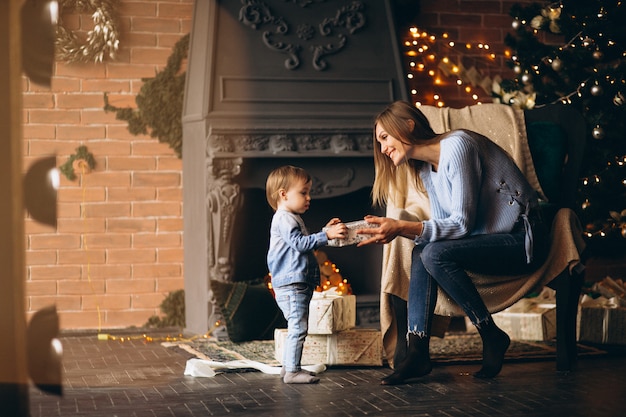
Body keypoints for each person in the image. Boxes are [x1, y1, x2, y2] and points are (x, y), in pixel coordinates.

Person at [357, 100, 548, 385]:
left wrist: (400, 227)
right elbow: (447, 230)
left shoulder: (459, 146)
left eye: (384, 137)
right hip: (490, 241)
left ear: (408, 125)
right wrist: (397, 230)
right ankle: (417, 350)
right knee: (424, 251)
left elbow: (461, 224)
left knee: (431, 253)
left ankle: (490, 334)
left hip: (524, 239)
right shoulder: (425, 169)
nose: (383, 148)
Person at [266, 165, 347, 384]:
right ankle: (292, 371)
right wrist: (325, 235)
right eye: (303, 192)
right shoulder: (285, 218)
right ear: (283, 194)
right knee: (298, 327)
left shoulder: (289, 218)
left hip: (294, 282)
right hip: (292, 283)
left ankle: (289, 367)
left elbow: (300, 244)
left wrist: (323, 232)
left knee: (296, 325)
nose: (309, 197)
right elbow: (300, 244)